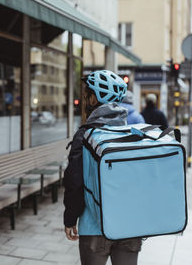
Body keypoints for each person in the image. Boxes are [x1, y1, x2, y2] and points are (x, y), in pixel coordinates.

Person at [63, 70, 142, 265]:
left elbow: (75, 182)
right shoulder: (135, 134)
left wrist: (70, 218)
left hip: (94, 228)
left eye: (86, 95)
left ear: (93, 100)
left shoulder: (86, 135)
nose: (83, 100)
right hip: (131, 226)